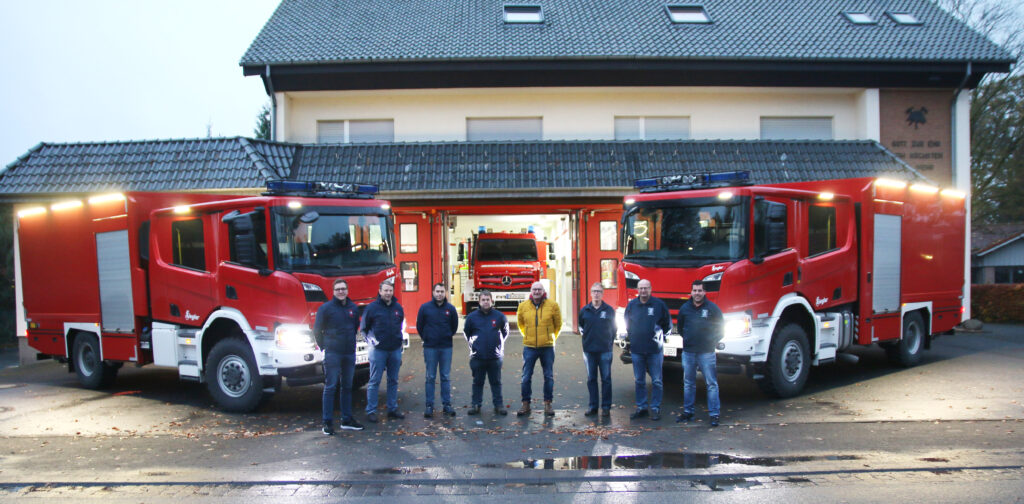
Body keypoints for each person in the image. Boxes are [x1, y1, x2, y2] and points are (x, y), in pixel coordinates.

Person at [314, 279, 364, 434]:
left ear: (347, 291)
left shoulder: (353, 308)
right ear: (333, 291)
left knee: (347, 386)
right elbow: (317, 330)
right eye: (338, 289)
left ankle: (346, 419)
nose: (341, 291)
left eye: (343, 289)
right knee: (330, 387)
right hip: (333, 353)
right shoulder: (326, 309)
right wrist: (325, 346)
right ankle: (327, 422)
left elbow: (355, 326)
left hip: (349, 352)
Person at [676, 280, 724, 427]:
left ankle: (714, 414)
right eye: (694, 290)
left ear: (705, 292)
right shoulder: (685, 308)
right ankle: (688, 412)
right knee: (689, 383)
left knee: (711, 384)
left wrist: (711, 341)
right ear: (691, 292)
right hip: (689, 352)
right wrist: (689, 341)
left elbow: (721, 328)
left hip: (707, 353)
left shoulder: (712, 308)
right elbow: (680, 328)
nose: (697, 293)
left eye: (699, 291)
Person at [623, 278, 671, 421]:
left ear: (650, 289)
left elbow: (667, 324)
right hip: (637, 350)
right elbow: (627, 323)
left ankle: (655, 408)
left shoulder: (659, 305)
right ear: (637, 290)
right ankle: (642, 407)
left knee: (656, 380)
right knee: (639, 380)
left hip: (654, 350)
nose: (643, 291)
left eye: (646, 288)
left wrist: (659, 338)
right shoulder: (632, 305)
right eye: (641, 288)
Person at [361, 280, 405, 423]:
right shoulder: (372, 308)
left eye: (390, 290)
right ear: (380, 291)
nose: (388, 293)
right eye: (385, 290)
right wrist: (371, 341)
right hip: (378, 351)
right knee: (374, 381)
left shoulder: (398, 307)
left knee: (393, 380)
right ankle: (371, 411)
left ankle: (392, 409)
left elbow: (400, 325)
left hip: (394, 350)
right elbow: (364, 329)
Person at [516, 281, 562, 417]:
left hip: (547, 347)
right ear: (531, 291)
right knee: (525, 377)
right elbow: (521, 324)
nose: (536, 292)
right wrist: (528, 336)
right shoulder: (523, 306)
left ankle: (548, 404)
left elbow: (558, 325)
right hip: (529, 347)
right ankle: (526, 404)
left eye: (539, 289)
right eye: (534, 289)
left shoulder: (553, 305)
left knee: (548, 376)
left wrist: (550, 337)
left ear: (543, 291)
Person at [463, 290, 509, 416]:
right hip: (478, 356)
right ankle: (476, 405)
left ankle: (498, 405)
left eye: (487, 300)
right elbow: (466, 333)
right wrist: (474, 346)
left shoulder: (499, 316)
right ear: (479, 301)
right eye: (483, 300)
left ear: (491, 301)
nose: (485, 302)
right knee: (477, 382)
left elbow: (505, 332)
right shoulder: (472, 317)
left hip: (494, 357)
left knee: (496, 382)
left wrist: (499, 346)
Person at [416, 282, 459, 418]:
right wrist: (427, 337)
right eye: (437, 291)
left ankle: (447, 404)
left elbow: (454, 326)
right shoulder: (425, 308)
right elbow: (419, 326)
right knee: (430, 377)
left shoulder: (450, 309)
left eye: (442, 292)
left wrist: (446, 336)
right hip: (430, 347)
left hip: (446, 347)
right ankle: (429, 406)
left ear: (445, 293)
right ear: (433, 293)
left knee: (445, 377)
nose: (439, 294)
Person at [577, 282, 616, 417]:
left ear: (603, 293)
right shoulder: (584, 310)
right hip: (589, 351)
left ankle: (606, 407)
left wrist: (609, 343)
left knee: (606, 379)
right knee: (591, 379)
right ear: (590, 293)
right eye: (594, 291)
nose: (596, 294)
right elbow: (581, 326)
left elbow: (614, 329)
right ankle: (593, 406)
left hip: (605, 350)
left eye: (599, 291)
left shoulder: (609, 310)